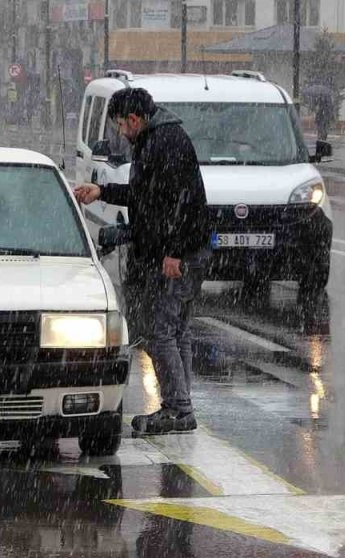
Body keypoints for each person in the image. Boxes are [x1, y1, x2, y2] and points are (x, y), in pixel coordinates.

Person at [72, 88, 211, 435]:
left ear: (133, 119)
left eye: (120, 124)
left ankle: (179, 410)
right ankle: (180, 404)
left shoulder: (165, 142)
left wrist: (175, 251)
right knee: (176, 331)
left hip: (181, 254)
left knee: (160, 332)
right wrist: (102, 192)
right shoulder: (155, 139)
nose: (120, 132)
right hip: (182, 249)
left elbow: (182, 200)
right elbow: (146, 195)